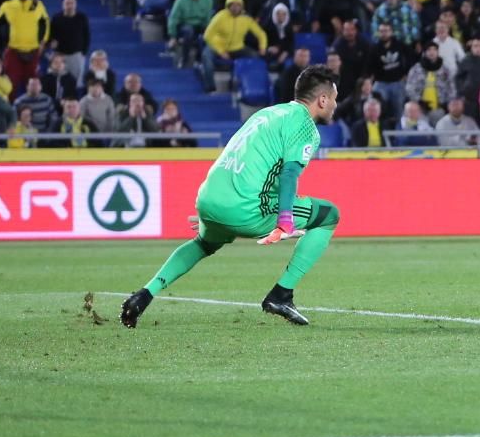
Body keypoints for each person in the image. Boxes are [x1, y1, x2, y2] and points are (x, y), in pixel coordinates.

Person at [120, 66, 343, 329]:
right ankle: (281, 295)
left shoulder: (267, 113)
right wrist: (285, 221)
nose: (335, 105)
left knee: (203, 244)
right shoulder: (305, 125)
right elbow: (289, 174)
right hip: (245, 208)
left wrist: (217, 207)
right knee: (329, 215)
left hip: (209, 198)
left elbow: (238, 155)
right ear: (322, 99)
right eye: (334, 98)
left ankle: (144, 294)